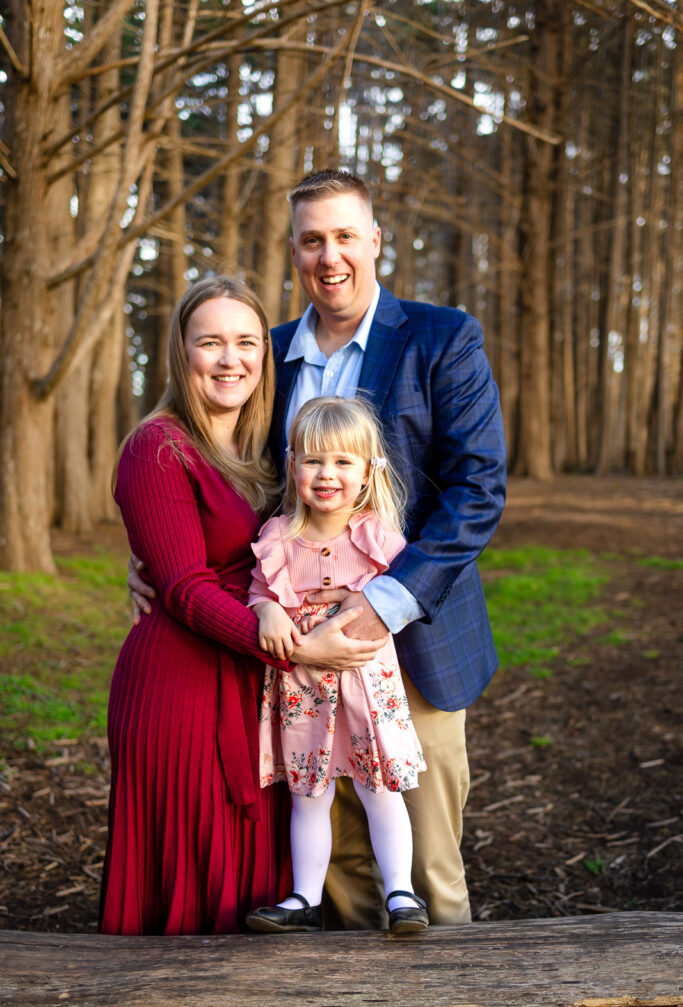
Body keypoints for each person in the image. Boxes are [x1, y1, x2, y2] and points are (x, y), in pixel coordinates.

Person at [129, 169, 507, 929]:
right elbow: (218, 470)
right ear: (293, 251)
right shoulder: (264, 354)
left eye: (343, 236)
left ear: (374, 241)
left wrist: (380, 605)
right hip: (294, 653)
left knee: (425, 858)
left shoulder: (440, 338)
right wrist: (154, 557)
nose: (328, 255)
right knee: (328, 859)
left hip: (412, 643)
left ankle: (459, 1001)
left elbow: (477, 490)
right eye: (310, 240)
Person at [100, 276, 384, 935]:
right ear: (181, 352)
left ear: (265, 352)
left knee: (258, 878)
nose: (231, 359)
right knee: (198, 873)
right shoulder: (157, 446)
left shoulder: (258, 448)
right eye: (211, 342)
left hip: (254, 679)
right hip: (184, 687)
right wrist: (296, 648)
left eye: (246, 342)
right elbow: (184, 586)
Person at [245, 397, 428, 934]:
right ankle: (304, 896)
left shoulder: (378, 536)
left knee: (380, 789)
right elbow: (258, 591)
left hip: (366, 684)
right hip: (302, 688)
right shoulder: (278, 537)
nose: (327, 474)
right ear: (293, 464)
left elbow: (403, 597)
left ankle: (400, 892)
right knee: (308, 794)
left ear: (369, 471)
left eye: (344, 462)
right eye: (314, 460)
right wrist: (268, 608)